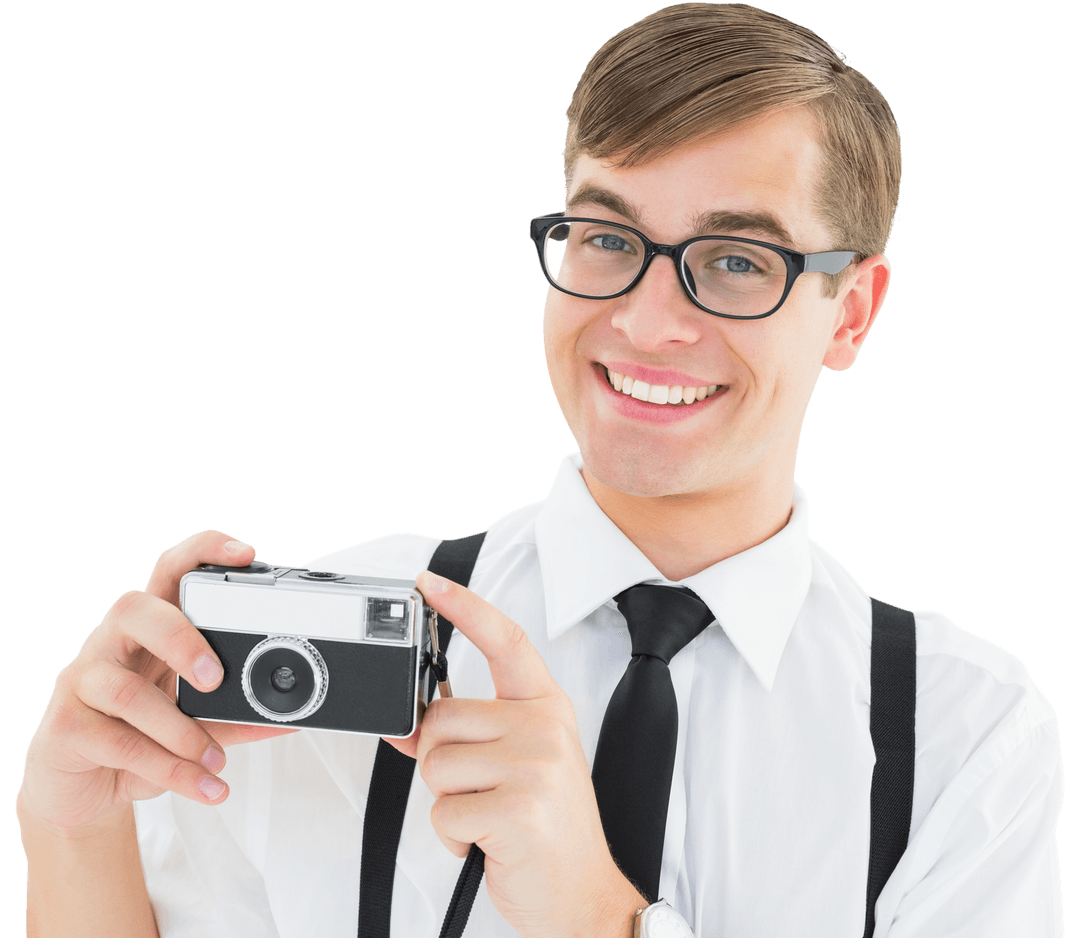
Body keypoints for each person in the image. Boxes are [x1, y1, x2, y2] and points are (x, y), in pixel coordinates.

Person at [16, 4, 1064, 936]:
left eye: (737, 261)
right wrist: (73, 838)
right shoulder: (337, 643)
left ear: (852, 311)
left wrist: (595, 914)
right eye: (608, 237)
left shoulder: (960, 731)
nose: (648, 321)